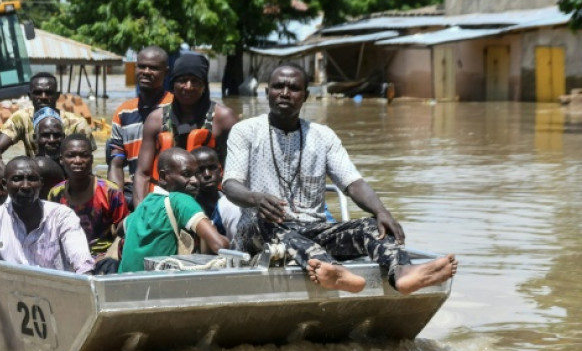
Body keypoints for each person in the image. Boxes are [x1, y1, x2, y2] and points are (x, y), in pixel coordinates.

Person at [223, 63, 457, 294]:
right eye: (278, 86)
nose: (285, 93)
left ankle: (402, 273)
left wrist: (382, 211)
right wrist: (255, 198)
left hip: (312, 230)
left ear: (305, 96)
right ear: (267, 92)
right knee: (265, 221)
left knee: (372, 225)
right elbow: (230, 184)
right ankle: (333, 270)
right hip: (258, 233)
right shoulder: (245, 131)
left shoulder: (323, 136)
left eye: (293, 88)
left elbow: (353, 183)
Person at [134, 52, 238, 206]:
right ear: (172, 84)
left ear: (204, 86)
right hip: (167, 202)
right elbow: (142, 173)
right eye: (182, 80)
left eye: (195, 81)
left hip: (211, 203)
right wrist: (141, 212)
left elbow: (238, 170)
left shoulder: (224, 118)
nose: (188, 87)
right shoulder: (155, 120)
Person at [119, 148, 229, 273]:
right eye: (186, 174)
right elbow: (219, 245)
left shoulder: (146, 203)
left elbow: (120, 228)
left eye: (195, 174)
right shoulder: (181, 200)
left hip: (124, 281)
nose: (195, 180)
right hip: (157, 283)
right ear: (163, 177)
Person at [0, 157, 95, 274]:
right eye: (17, 179)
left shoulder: (61, 216)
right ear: (5, 184)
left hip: (54, 285)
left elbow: (80, 258)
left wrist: (86, 276)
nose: (25, 186)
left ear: (41, 183)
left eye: (32, 179)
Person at [107, 46, 174, 205]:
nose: (146, 71)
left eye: (153, 68)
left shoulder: (175, 108)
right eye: (142, 66)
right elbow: (116, 163)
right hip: (135, 192)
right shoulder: (123, 112)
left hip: (169, 193)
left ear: (166, 72)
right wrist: (117, 203)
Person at [48, 134, 129, 255]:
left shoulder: (110, 191)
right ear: (61, 159)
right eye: (71, 155)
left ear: (91, 159)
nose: (78, 160)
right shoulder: (55, 194)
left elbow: (124, 230)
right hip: (66, 255)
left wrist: (111, 256)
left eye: (83, 155)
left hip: (102, 256)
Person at [0, 72, 92, 162]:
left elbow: (86, 160)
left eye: (48, 93)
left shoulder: (77, 123)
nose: (43, 97)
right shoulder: (21, 118)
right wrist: (1, 172)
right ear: (30, 96)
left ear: (57, 96)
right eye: (38, 93)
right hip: (34, 173)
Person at [191, 146, 243, 241]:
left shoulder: (230, 203)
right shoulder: (190, 206)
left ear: (220, 171)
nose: (207, 174)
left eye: (212, 168)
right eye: (200, 170)